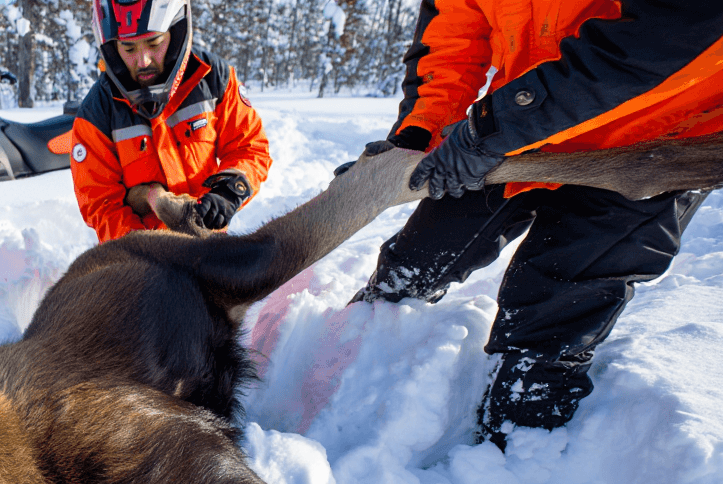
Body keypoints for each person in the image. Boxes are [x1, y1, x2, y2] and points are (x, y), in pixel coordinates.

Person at [351, 1, 723, 449]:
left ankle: (511, 468)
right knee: (412, 264)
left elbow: (668, 37)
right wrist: (419, 134)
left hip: (651, 140)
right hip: (517, 129)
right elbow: (452, 34)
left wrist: (499, 127)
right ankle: (347, 363)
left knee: (548, 323)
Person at [70, 0, 271, 243]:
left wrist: (228, 191)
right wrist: (152, 251)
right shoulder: (96, 112)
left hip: (212, 247)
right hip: (146, 259)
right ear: (112, 48)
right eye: (129, 49)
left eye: (154, 43)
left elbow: (250, 147)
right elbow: (101, 206)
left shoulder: (212, 77)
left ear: (176, 32)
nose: (143, 61)